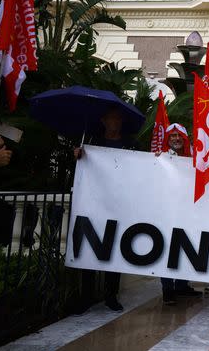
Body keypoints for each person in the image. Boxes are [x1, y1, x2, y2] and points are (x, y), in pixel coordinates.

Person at [73, 107, 137, 313]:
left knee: (114, 251)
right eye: (111, 118)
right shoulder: (92, 143)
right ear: (103, 121)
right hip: (94, 204)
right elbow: (81, 170)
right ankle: (86, 297)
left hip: (119, 205)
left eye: (118, 119)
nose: (114, 122)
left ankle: (111, 296)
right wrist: (77, 156)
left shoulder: (130, 144)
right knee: (89, 249)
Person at [154, 123, 200, 305]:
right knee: (168, 248)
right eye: (172, 136)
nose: (176, 139)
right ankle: (167, 289)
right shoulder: (162, 157)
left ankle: (181, 285)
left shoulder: (192, 156)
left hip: (188, 211)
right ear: (167, 139)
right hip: (168, 211)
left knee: (186, 247)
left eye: (179, 135)